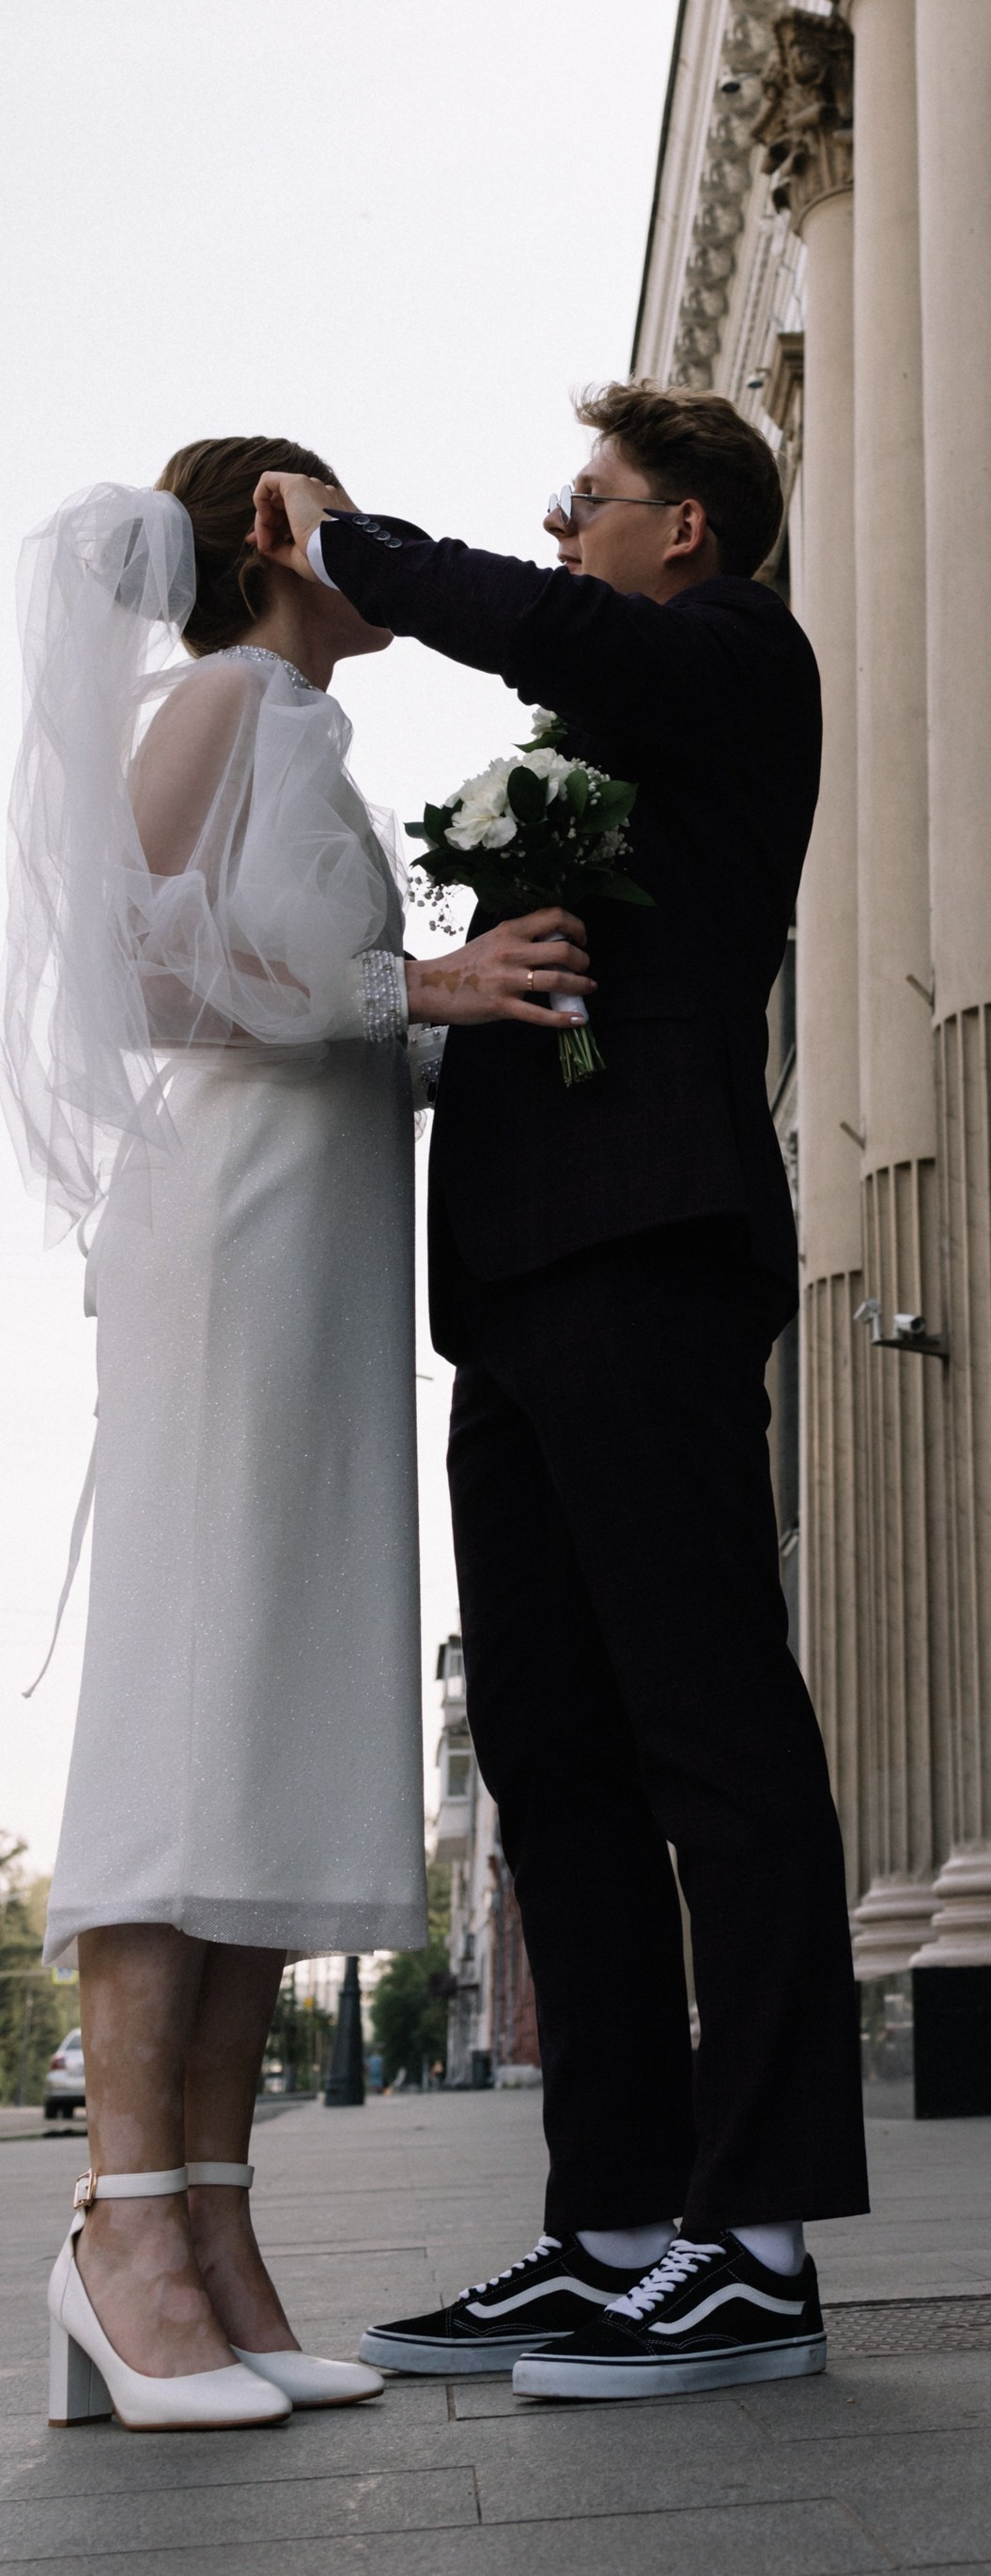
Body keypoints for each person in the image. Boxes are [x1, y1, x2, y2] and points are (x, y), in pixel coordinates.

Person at [253, 382, 867, 2408]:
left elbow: (556, 628)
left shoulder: (727, 657)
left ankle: (755, 2243)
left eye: (589, 500)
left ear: (685, 526)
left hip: (649, 1244)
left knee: (711, 1725)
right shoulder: (610, 735)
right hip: (515, 1276)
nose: (566, 523)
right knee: (549, 1749)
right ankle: (612, 2229)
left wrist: (352, 543)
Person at [3, 443, 593, 2437]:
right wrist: (413, 978)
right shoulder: (222, 699)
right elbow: (134, 960)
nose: (373, 546)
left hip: (325, 1256)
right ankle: (118, 2237)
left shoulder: (308, 728)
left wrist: (464, 1010)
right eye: (335, 512)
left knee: (261, 1710)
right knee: (190, 1704)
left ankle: (220, 2236)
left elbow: (325, 1006)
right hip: (232, 1244)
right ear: (270, 530)